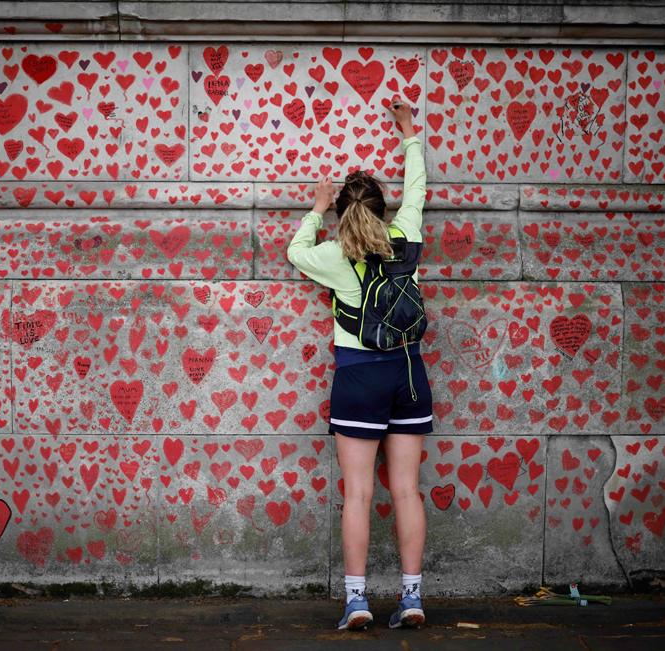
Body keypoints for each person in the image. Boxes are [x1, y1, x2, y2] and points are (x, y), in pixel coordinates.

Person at [286, 94, 431, 631]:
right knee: (406, 489)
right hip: (411, 373)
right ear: (383, 209)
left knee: (359, 493)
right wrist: (408, 131)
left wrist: (316, 209)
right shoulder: (407, 237)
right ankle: (412, 596)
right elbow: (418, 188)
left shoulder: (333, 254)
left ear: (346, 210)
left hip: (358, 374)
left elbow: (296, 253)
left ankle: (356, 601)